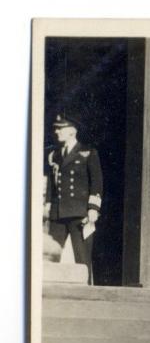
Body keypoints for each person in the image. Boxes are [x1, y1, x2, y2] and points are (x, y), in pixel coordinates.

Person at [45, 113, 103, 284]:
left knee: (82, 257)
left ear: (72, 131)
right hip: (58, 213)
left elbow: (97, 182)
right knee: (51, 255)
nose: (57, 132)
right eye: (56, 129)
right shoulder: (54, 154)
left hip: (80, 212)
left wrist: (93, 208)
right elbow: (51, 183)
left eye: (60, 129)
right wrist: (48, 204)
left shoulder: (87, 153)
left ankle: (85, 292)